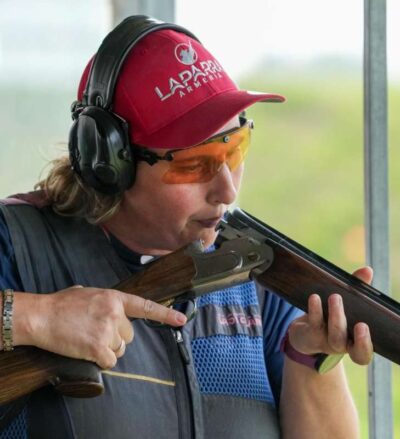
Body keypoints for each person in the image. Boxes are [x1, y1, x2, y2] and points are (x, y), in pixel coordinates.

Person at [0, 15, 373, 439]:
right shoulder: (16, 243)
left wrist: (311, 357)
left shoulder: (256, 275)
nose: (227, 191)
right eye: (195, 164)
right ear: (111, 165)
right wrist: (33, 317)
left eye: (235, 150)